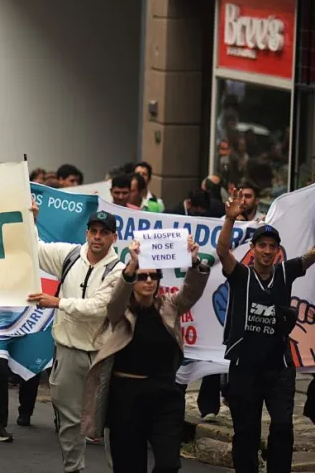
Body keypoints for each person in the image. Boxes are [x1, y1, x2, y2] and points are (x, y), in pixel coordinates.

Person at [82, 237, 208, 473]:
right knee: (129, 466)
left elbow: (191, 292)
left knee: (169, 463)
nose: (149, 280)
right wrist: (132, 265)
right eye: (142, 276)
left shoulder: (168, 306)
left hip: (165, 395)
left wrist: (194, 263)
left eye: (154, 276)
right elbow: (115, 303)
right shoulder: (121, 312)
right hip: (127, 397)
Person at [217, 190, 315, 473]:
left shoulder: (285, 273)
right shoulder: (241, 275)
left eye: (273, 246)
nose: (268, 251)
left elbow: (309, 257)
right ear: (254, 248)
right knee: (246, 433)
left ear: (278, 251)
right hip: (244, 368)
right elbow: (223, 251)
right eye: (262, 245)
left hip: (279, 369)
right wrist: (229, 219)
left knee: (283, 426)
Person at [28, 207, 122, 472]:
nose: (97, 237)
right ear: (86, 233)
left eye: (104, 233)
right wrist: (32, 220)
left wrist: (57, 302)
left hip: (102, 355)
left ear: (114, 238)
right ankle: (73, 469)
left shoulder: (119, 270)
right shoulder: (70, 255)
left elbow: (98, 308)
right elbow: (34, 249)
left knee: (109, 421)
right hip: (68, 350)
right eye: (93, 231)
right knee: (69, 420)